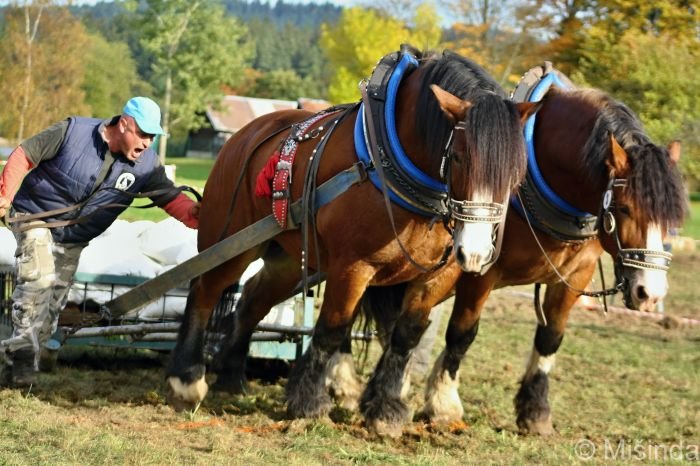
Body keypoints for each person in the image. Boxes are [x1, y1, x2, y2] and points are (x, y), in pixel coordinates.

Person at [0, 97, 200, 388]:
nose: (147, 142)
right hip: (35, 216)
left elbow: (172, 200)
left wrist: (200, 217)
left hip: (75, 238)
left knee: (52, 305)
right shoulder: (72, 132)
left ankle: (25, 356)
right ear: (124, 125)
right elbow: (24, 155)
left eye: (153, 136)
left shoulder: (146, 167)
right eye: (143, 134)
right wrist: (4, 196)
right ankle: (20, 359)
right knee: (39, 279)